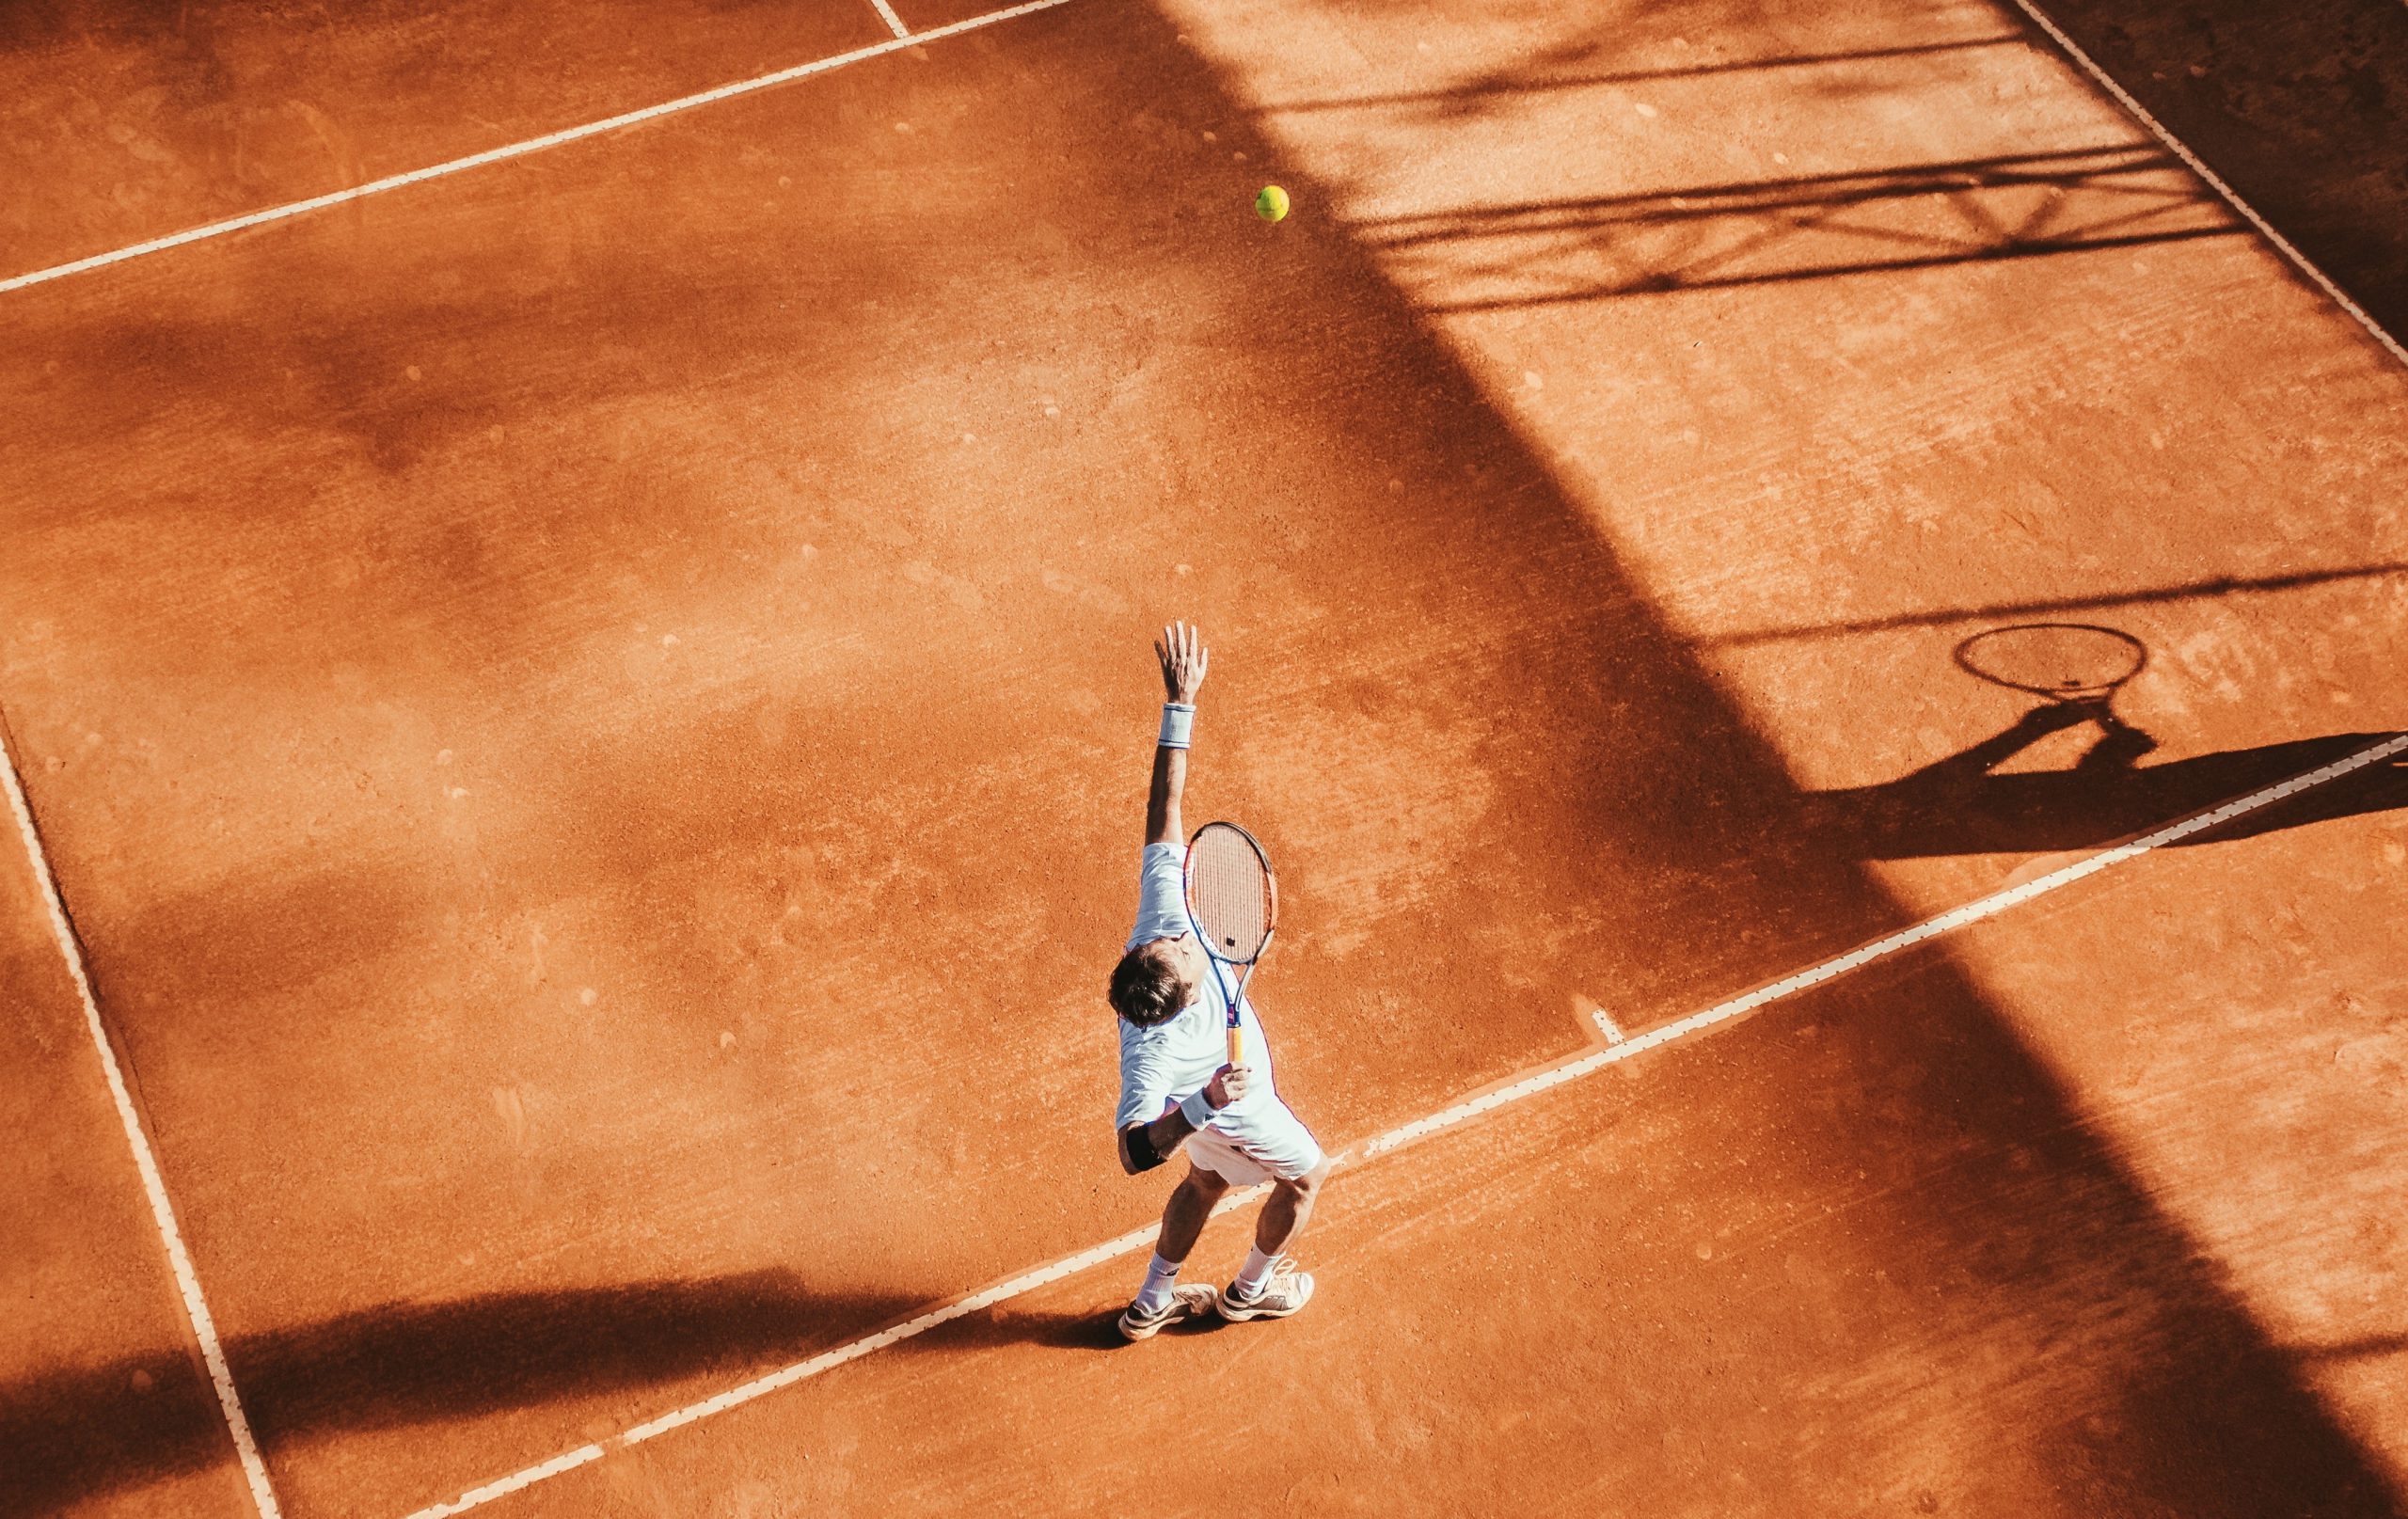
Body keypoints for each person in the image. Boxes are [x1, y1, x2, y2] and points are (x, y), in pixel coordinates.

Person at [1107, 622, 1331, 1342]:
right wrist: (1204, 1105)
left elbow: (1162, 812)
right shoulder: (1153, 1053)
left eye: (1170, 940)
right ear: (1186, 999)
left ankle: (1150, 1303)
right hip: (1234, 1110)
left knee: (1204, 1181)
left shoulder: (1159, 923)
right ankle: (1249, 1291)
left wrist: (1181, 702)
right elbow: (1135, 1151)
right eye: (1182, 951)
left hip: (1210, 1114)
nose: (1183, 936)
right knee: (1305, 1176)